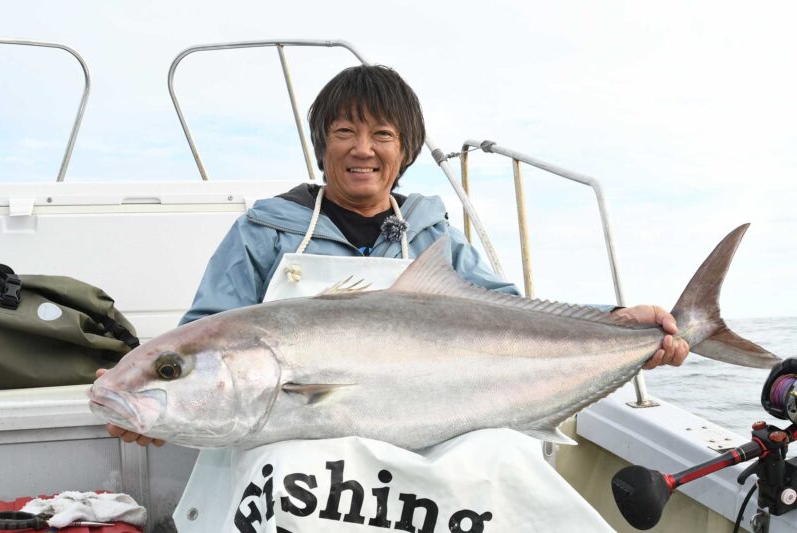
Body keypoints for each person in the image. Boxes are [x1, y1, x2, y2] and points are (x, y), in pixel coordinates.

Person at [102, 64, 689, 447]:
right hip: (284, 462)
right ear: (321, 145)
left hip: (425, 451)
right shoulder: (264, 232)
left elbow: (516, 318)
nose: (363, 150)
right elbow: (202, 337)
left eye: (382, 135)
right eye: (344, 133)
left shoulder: (436, 238)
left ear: (404, 150)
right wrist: (158, 394)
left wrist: (620, 325)